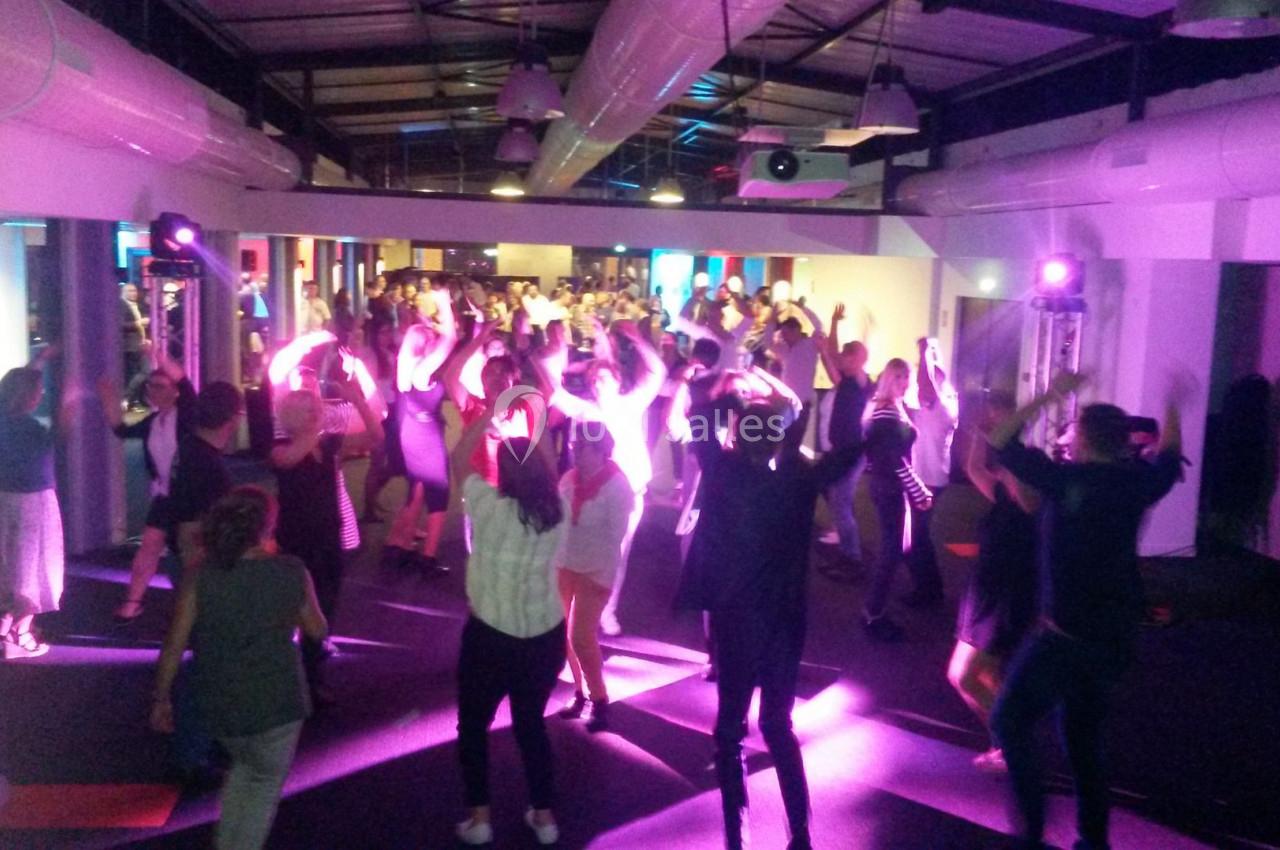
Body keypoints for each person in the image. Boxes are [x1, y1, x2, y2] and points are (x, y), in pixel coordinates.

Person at [988, 371, 1186, 850]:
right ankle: (1092, 841)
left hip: (1064, 637)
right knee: (1083, 741)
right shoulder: (1133, 483)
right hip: (1112, 639)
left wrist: (1049, 395)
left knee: (1009, 720)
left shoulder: (1066, 478)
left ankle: (1031, 834)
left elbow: (1000, 439)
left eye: (1072, 430)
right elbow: (1170, 458)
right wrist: (1174, 404)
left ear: (1083, 437)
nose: (1067, 436)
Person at [675, 380, 862, 850]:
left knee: (730, 733)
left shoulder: (720, 471)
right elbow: (848, 452)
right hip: (784, 622)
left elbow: (700, 415)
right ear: (777, 439)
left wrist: (728, 396)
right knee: (778, 726)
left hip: (737, 622)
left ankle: (737, 839)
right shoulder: (798, 484)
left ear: (737, 435)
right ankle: (800, 836)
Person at [151, 487, 327, 850]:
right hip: (276, 705)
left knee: (243, 772)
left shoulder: (201, 575)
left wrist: (161, 699)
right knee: (262, 788)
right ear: (267, 528)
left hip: (220, 702)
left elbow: (173, 645)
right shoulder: (291, 570)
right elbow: (318, 629)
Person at [451, 400, 567, 847]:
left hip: (489, 637)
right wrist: (532, 432)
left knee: (474, 726)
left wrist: (487, 418)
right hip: (544, 637)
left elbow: (459, 457)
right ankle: (544, 815)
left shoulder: (488, 507)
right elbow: (550, 467)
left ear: (503, 471)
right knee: (531, 725)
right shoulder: (556, 510)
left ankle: (480, 819)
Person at [536, 319, 665, 636]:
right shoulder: (586, 411)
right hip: (590, 494)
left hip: (629, 491)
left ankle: (605, 611)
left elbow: (658, 373)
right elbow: (553, 391)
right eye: (597, 380)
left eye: (606, 378)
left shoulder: (630, 404)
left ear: (617, 381)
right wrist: (550, 355)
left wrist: (637, 338)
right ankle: (578, 609)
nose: (601, 383)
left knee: (617, 554)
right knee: (580, 551)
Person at [271, 375, 383, 704]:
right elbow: (290, 459)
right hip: (297, 543)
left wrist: (357, 399)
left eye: (316, 407)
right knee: (296, 607)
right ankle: (293, 676)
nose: (316, 412)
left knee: (326, 606)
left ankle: (312, 672)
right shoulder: (281, 449)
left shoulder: (328, 445)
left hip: (328, 539)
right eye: (308, 409)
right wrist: (316, 428)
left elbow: (376, 436)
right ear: (291, 415)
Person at [948, 393, 1039, 774]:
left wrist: (1001, 441)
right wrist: (974, 435)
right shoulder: (1005, 489)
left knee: (967, 676)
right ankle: (1008, 744)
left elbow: (1023, 494)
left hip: (1007, 592)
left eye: (999, 417)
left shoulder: (1030, 482)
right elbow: (974, 470)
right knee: (977, 675)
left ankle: (1012, 745)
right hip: (985, 590)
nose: (992, 422)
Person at [97, 344, 197, 622]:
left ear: (175, 391)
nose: (155, 391)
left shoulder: (187, 415)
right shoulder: (153, 422)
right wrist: (108, 400)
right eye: (152, 386)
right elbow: (120, 429)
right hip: (165, 496)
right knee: (150, 546)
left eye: (162, 386)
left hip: (191, 496)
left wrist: (158, 355)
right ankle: (132, 603)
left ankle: (195, 605)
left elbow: (184, 381)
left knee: (189, 554)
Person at [553, 423, 635, 732]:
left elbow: (615, 537)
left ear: (601, 451)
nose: (574, 452)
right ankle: (580, 692)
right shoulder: (569, 481)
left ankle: (599, 699)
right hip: (565, 565)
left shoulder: (617, 487)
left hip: (596, 569)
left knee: (581, 636)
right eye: (575, 447)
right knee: (565, 636)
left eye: (582, 448)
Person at [384, 290, 457, 573]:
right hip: (426, 438)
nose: (434, 341)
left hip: (410, 434)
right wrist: (444, 304)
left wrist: (428, 322)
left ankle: (397, 546)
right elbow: (450, 338)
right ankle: (428, 557)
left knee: (416, 491)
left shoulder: (405, 368)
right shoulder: (422, 371)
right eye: (429, 339)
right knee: (439, 493)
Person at [861, 358, 934, 642]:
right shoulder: (887, 414)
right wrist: (919, 491)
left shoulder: (890, 409)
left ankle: (874, 610)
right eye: (899, 376)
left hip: (889, 486)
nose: (904, 382)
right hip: (890, 486)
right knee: (891, 551)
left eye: (907, 376)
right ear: (887, 378)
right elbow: (894, 459)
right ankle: (873, 612)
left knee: (895, 549)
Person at [0, 354, 63, 660]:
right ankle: (19, 633)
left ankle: (4, 628)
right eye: (37, 391)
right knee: (34, 568)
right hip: (33, 503)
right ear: (28, 396)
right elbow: (53, 442)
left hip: (3, 500)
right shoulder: (33, 430)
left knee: (7, 567)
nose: (41, 395)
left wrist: (40, 359)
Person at [166, 382, 245, 569]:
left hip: (183, 554)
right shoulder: (208, 465)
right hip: (198, 561)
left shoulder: (189, 446)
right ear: (232, 419)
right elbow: (190, 527)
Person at [817, 303, 872, 572]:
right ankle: (848, 553)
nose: (842, 358)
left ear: (856, 359)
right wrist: (834, 324)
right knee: (839, 501)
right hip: (844, 451)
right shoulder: (849, 381)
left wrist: (833, 326)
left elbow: (833, 356)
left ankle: (852, 557)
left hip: (852, 452)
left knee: (841, 502)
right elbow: (832, 357)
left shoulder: (860, 379)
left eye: (847, 356)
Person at [905, 336, 959, 606]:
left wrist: (925, 352)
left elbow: (926, 386)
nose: (918, 383)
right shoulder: (942, 403)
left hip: (929, 480)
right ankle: (927, 590)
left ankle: (929, 592)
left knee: (916, 537)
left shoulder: (940, 405)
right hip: (928, 477)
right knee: (916, 536)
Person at [120, 283, 150, 406]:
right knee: (145, 371)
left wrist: (147, 338)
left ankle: (134, 400)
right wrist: (138, 323)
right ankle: (126, 398)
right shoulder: (120, 305)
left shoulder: (140, 306)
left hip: (141, 344)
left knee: (139, 373)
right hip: (130, 345)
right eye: (130, 291)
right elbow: (121, 324)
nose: (134, 293)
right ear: (123, 292)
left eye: (135, 290)